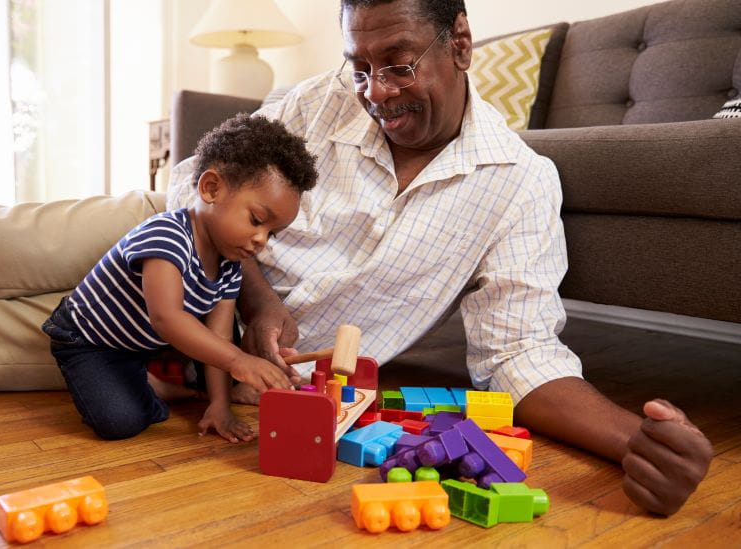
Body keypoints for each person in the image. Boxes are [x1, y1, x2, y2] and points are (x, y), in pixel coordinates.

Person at [167, 0, 712, 515]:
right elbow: (193, 183)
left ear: (460, 44)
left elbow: (518, 352)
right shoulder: (326, 99)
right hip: (170, 293)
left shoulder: (519, 184)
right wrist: (256, 301)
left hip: (252, 397)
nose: (375, 91)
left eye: (399, 65)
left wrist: (632, 441)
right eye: (360, 67)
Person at [42, 114, 317, 443]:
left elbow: (219, 338)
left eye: (272, 233)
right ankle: (154, 386)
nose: (261, 240)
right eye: (257, 220)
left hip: (140, 345)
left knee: (215, 344)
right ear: (211, 188)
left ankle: (148, 378)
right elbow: (166, 318)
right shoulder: (167, 236)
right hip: (89, 340)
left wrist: (220, 404)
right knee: (119, 423)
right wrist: (239, 362)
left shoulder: (230, 264)